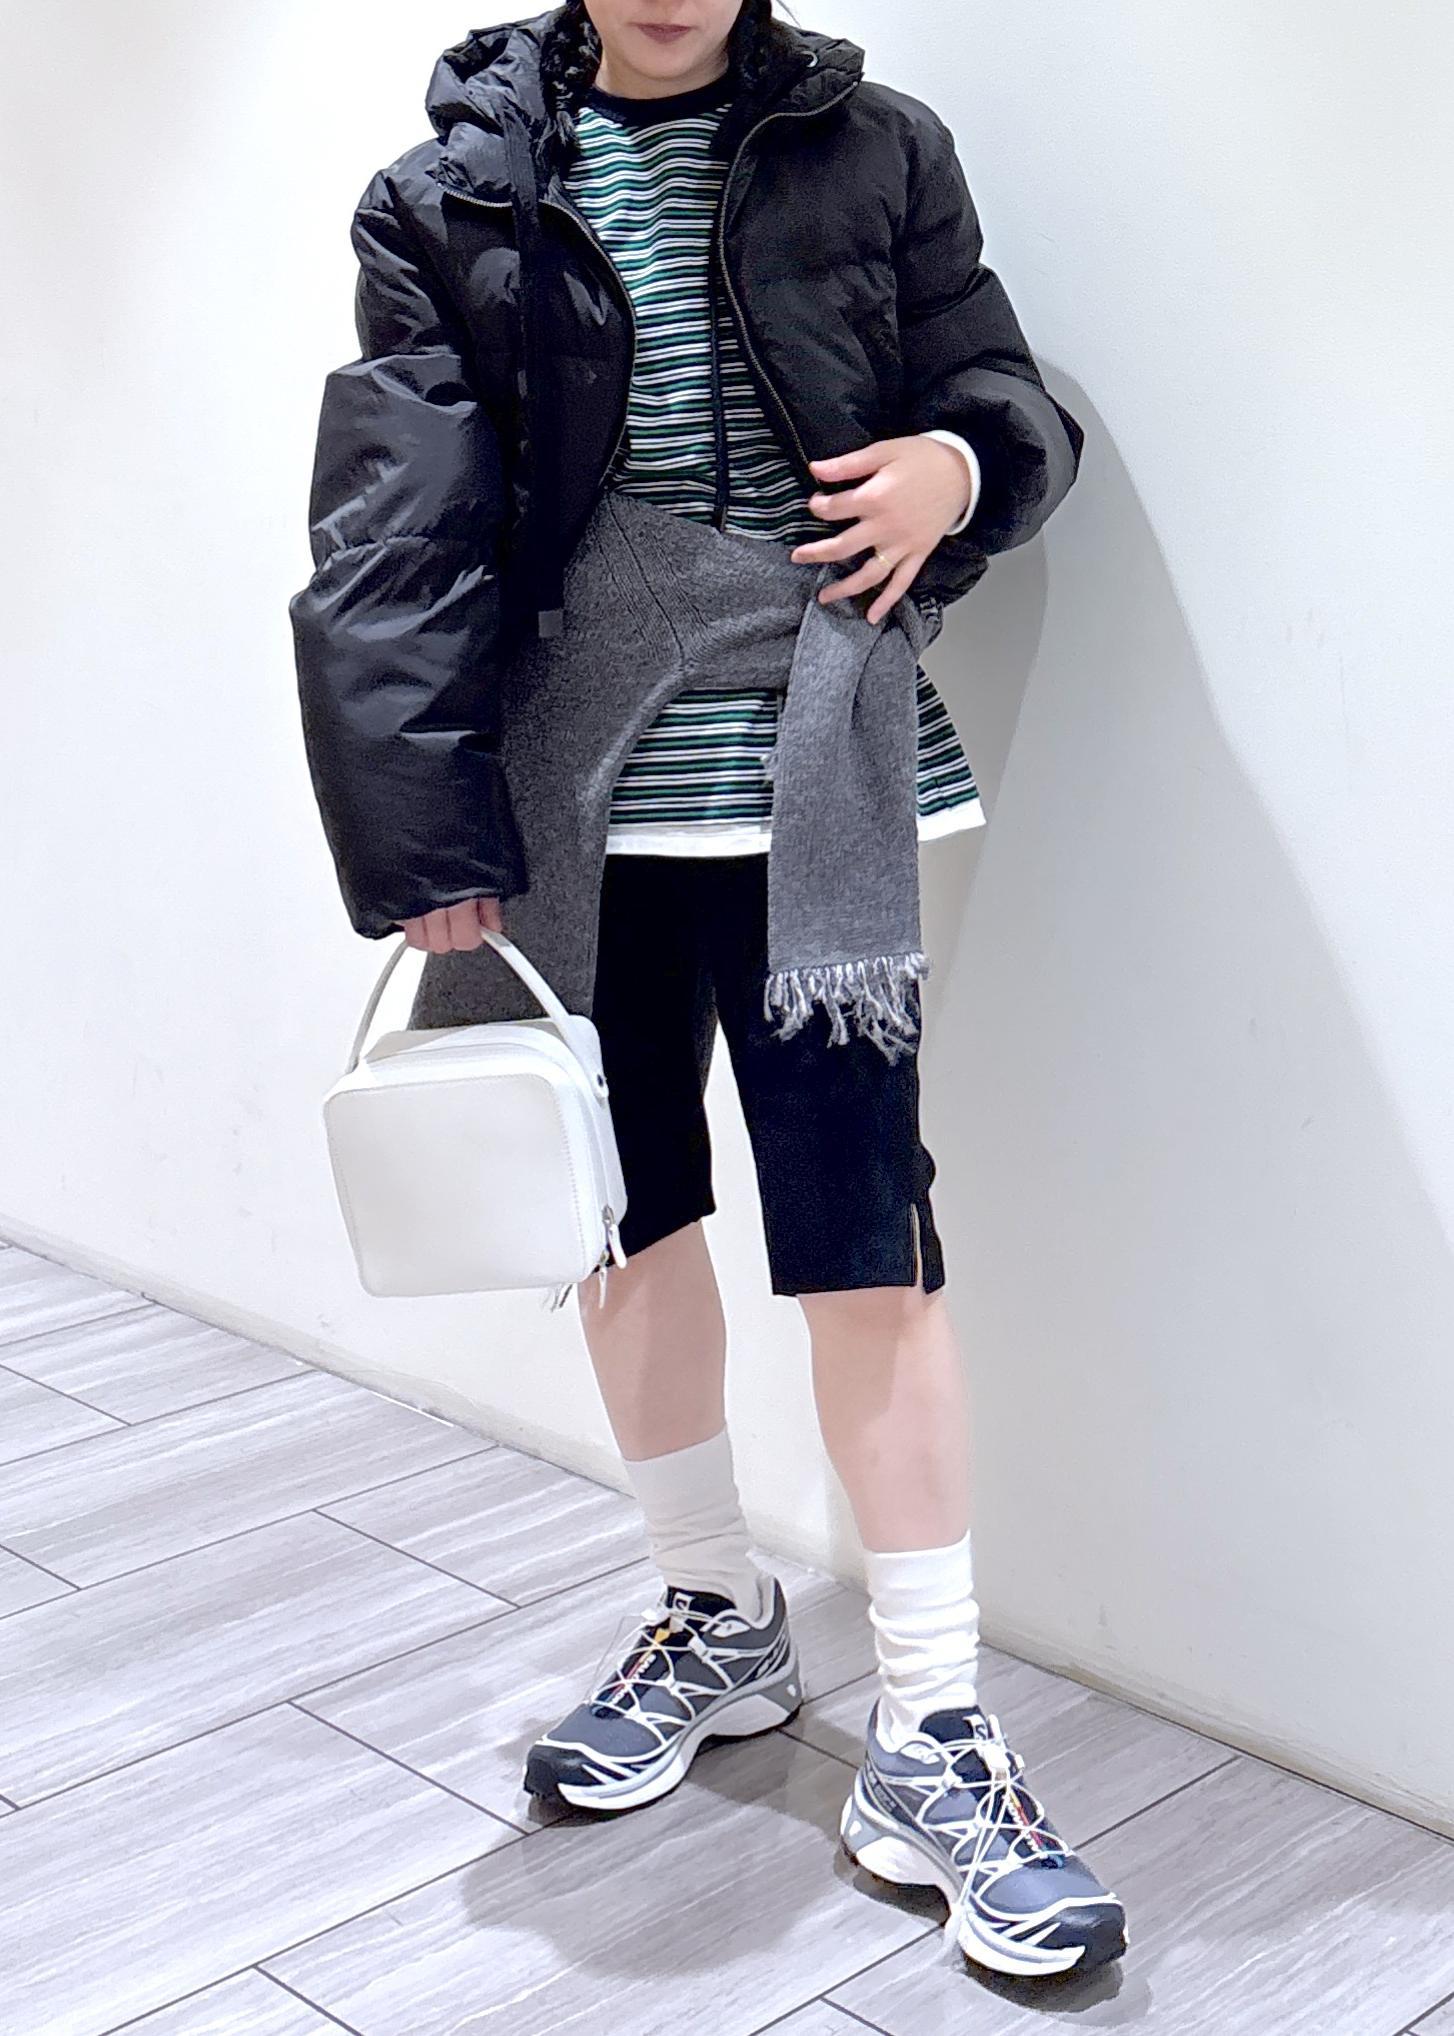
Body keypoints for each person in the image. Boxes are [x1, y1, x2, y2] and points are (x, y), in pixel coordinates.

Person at [290, 0, 1127, 1981]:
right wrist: (421, 836)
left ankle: (931, 1724)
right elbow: (394, 525)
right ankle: (710, 1613)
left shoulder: (879, 145)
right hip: (567, 809)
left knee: (865, 1244)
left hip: (828, 775)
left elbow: (993, 382)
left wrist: (956, 464)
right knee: (627, 1222)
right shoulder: (445, 196)